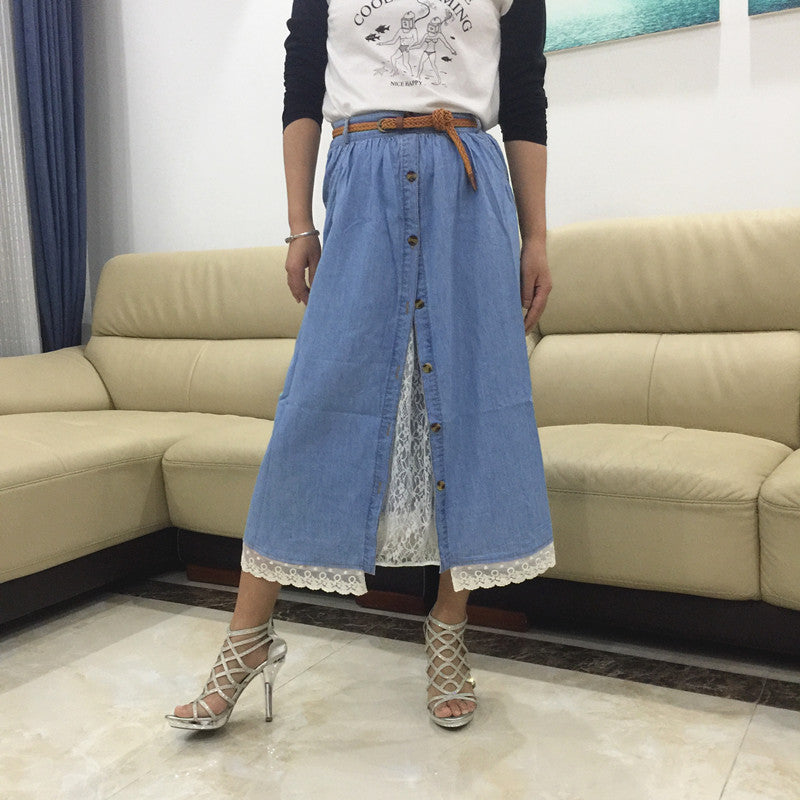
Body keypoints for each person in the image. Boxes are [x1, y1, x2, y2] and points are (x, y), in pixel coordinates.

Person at [167, 0, 554, 732]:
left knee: (471, 405)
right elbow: (302, 84)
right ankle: (248, 638)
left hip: (468, 186)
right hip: (361, 182)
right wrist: (298, 224)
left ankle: (448, 627)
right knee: (315, 409)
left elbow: (526, 97)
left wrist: (536, 237)